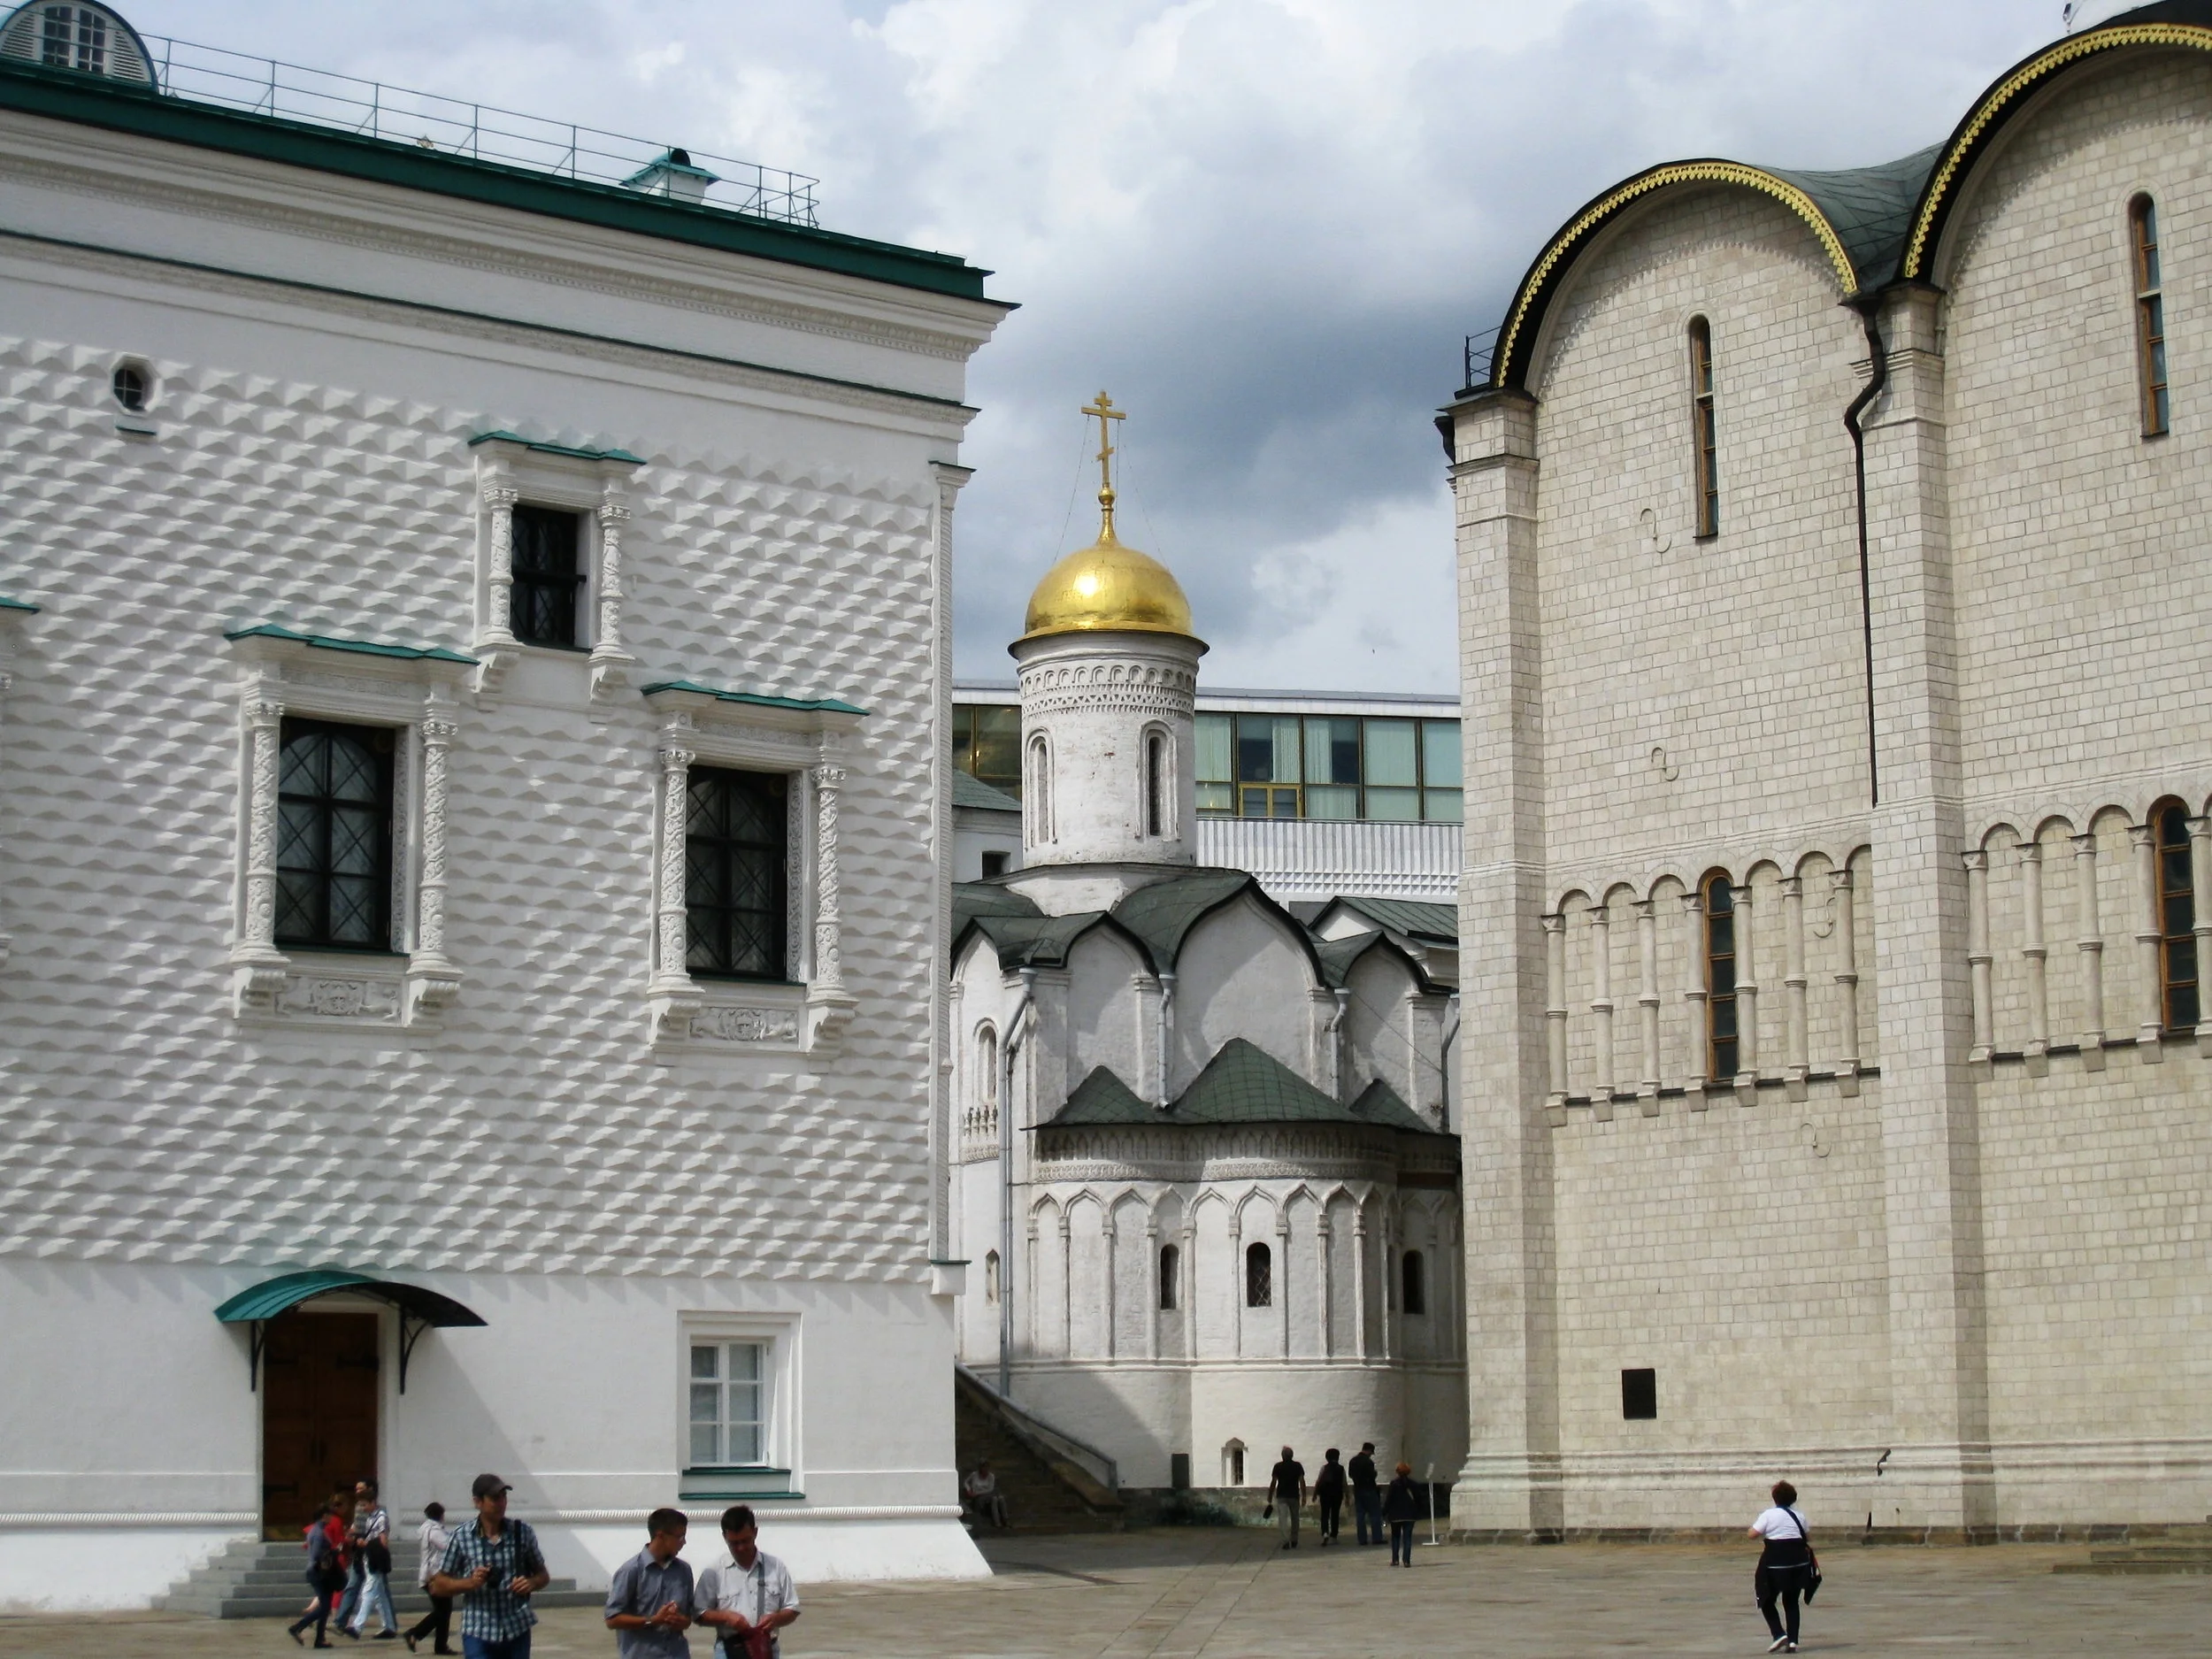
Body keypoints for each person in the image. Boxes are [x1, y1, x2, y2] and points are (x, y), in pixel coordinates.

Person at [429, 1472, 550, 1659]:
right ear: (478, 1502)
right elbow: (438, 1585)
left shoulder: (522, 1533)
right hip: (478, 1629)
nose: (501, 1503)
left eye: (504, 1497)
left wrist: (531, 1583)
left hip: (516, 1627)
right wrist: (471, 1583)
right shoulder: (462, 1537)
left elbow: (543, 1575)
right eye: (495, 1498)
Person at [696, 1505, 802, 1659]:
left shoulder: (775, 1567)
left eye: (746, 1541)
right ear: (724, 1537)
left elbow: (792, 1608)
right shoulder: (714, 1572)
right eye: (734, 1543)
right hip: (728, 1650)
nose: (741, 1548)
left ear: (755, 1532)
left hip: (766, 1649)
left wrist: (776, 1619)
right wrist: (725, 1617)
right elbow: (698, 1614)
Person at [604, 1509, 695, 1659]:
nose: (684, 1542)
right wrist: (653, 1621)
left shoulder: (684, 1570)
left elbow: (688, 1616)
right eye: (680, 1537)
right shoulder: (631, 1571)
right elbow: (612, 1619)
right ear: (661, 1536)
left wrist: (681, 1621)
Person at [1748, 1479, 1817, 1654]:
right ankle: (1793, 1641)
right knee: (1791, 1601)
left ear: (1775, 1498)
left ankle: (1779, 1633)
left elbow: (1752, 1534)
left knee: (1765, 1599)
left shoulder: (1769, 1515)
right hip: (1798, 1563)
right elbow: (1807, 1538)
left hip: (1775, 1564)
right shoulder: (1799, 1516)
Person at [289, 1498, 349, 1647]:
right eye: (329, 1515)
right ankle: (298, 1627)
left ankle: (320, 1639)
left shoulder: (319, 1530)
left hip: (323, 1573)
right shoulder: (317, 1533)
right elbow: (316, 1555)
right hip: (318, 1572)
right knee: (324, 1606)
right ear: (324, 1516)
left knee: (326, 1605)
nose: (331, 1518)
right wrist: (333, 1552)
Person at [348, 1478, 400, 1640]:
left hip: (376, 1559)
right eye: (361, 1505)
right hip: (368, 1557)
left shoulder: (381, 1517)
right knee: (380, 1595)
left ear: (373, 1502)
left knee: (368, 1591)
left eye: (364, 1504)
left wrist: (366, 1543)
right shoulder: (370, 1517)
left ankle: (358, 1626)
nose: (362, 1508)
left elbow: (383, 1541)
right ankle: (389, 1627)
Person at [404, 1502, 455, 1655]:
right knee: (442, 1611)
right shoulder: (434, 1531)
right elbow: (448, 1546)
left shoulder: (427, 1529)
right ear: (440, 1515)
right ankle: (415, 1633)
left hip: (430, 1574)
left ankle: (440, 1645)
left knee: (443, 1610)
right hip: (434, 1576)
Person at [1382, 1462, 1422, 1566]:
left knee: (1395, 1537)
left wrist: (1384, 1512)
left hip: (1396, 1514)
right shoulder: (1414, 1484)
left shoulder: (1394, 1484)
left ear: (1397, 1472)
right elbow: (1419, 1499)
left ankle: (1395, 1559)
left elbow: (1389, 1500)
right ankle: (1406, 1561)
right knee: (1407, 1538)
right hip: (1410, 1514)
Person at [1266, 1446, 1306, 1549]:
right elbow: (1302, 1481)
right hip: (1294, 1495)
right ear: (1292, 1455)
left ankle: (1285, 1541)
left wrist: (1270, 1495)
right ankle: (1294, 1540)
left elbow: (1274, 1482)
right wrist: (1304, 1495)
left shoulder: (1278, 1466)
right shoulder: (1297, 1466)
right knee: (1295, 1518)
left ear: (1282, 1456)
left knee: (1283, 1519)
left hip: (1282, 1495)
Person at [1348, 1443, 1382, 1546]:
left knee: (1360, 1516)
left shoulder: (1353, 1461)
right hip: (1369, 1489)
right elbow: (1371, 1476)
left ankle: (1362, 1539)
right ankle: (1377, 1538)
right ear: (1369, 1451)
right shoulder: (1368, 1462)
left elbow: (1350, 1475)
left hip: (1358, 1490)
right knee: (1375, 1514)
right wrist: (1375, 1474)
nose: (1371, 1455)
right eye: (1371, 1453)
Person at [962, 1459, 1009, 1529]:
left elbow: (990, 1489)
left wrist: (977, 1493)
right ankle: (997, 1523)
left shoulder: (991, 1476)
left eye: (987, 1467)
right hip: (978, 1496)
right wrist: (969, 1490)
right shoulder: (974, 1475)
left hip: (987, 1494)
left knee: (998, 1498)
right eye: (983, 1467)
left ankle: (1004, 1520)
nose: (985, 1469)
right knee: (994, 1499)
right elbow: (966, 1482)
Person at [1313, 1449, 1346, 1545]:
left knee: (1325, 1514)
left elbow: (1318, 1481)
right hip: (1337, 1494)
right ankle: (1334, 1536)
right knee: (1335, 1515)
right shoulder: (1341, 1468)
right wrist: (1347, 1496)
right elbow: (1344, 1483)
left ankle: (1325, 1532)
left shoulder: (1324, 1468)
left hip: (1325, 1494)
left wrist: (1315, 1494)